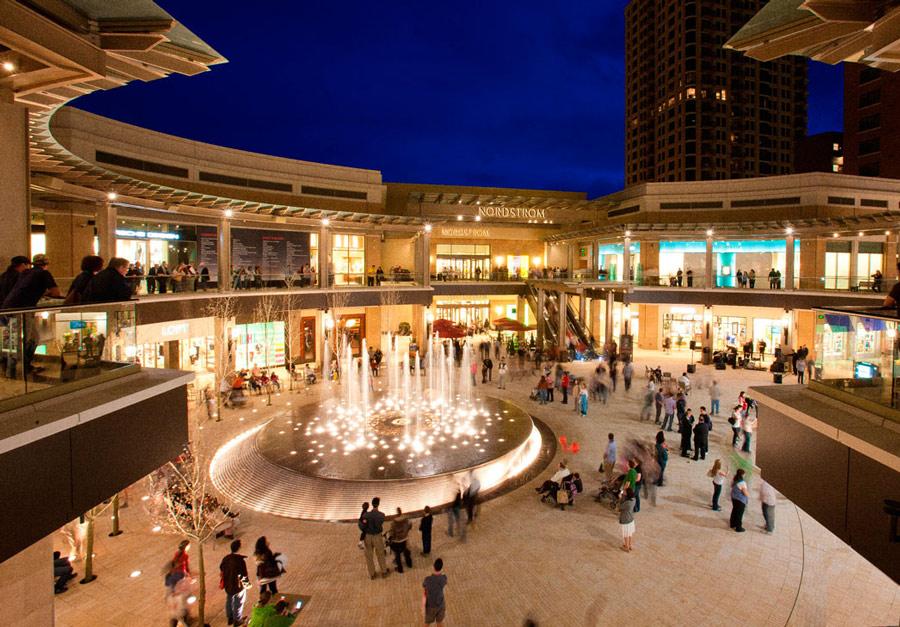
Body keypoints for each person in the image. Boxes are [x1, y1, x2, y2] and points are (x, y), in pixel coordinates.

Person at [220, 538, 249, 626]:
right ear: (239, 548)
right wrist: (247, 585)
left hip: (228, 584)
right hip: (238, 586)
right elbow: (243, 575)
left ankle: (230, 617)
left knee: (229, 599)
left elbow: (221, 568)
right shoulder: (240, 561)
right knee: (239, 602)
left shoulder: (226, 558)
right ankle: (238, 619)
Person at [361, 497, 390, 579]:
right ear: (378, 504)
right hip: (377, 536)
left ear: (372, 504)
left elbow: (362, 524)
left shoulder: (366, 515)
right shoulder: (382, 515)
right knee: (380, 554)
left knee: (369, 556)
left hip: (368, 536)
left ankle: (372, 574)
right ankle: (384, 571)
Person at [164, 559, 193, 627]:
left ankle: (185, 621)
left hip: (178, 597)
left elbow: (185, 582)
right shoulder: (171, 576)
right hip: (176, 598)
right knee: (178, 614)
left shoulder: (178, 574)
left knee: (182, 612)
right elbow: (169, 588)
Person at [423, 558, 447, 626]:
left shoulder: (427, 579)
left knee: (427, 623)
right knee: (439, 622)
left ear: (433, 566)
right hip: (440, 605)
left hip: (430, 606)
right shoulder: (444, 578)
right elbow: (444, 580)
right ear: (441, 568)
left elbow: (424, 587)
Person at [389, 507, 413, 574]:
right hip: (404, 539)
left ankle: (400, 569)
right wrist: (406, 533)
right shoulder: (406, 520)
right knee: (405, 550)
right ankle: (409, 563)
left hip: (396, 541)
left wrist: (391, 538)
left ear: (397, 513)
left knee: (397, 555)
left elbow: (392, 533)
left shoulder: (393, 523)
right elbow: (410, 526)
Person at [618, 487, 636, 552]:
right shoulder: (633, 499)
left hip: (625, 519)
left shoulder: (627, 503)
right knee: (630, 533)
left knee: (625, 534)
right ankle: (630, 545)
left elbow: (620, 507)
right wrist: (623, 496)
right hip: (631, 518)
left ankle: (626, 547)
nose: (624, 492)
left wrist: (620, 498)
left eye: (625, 492)